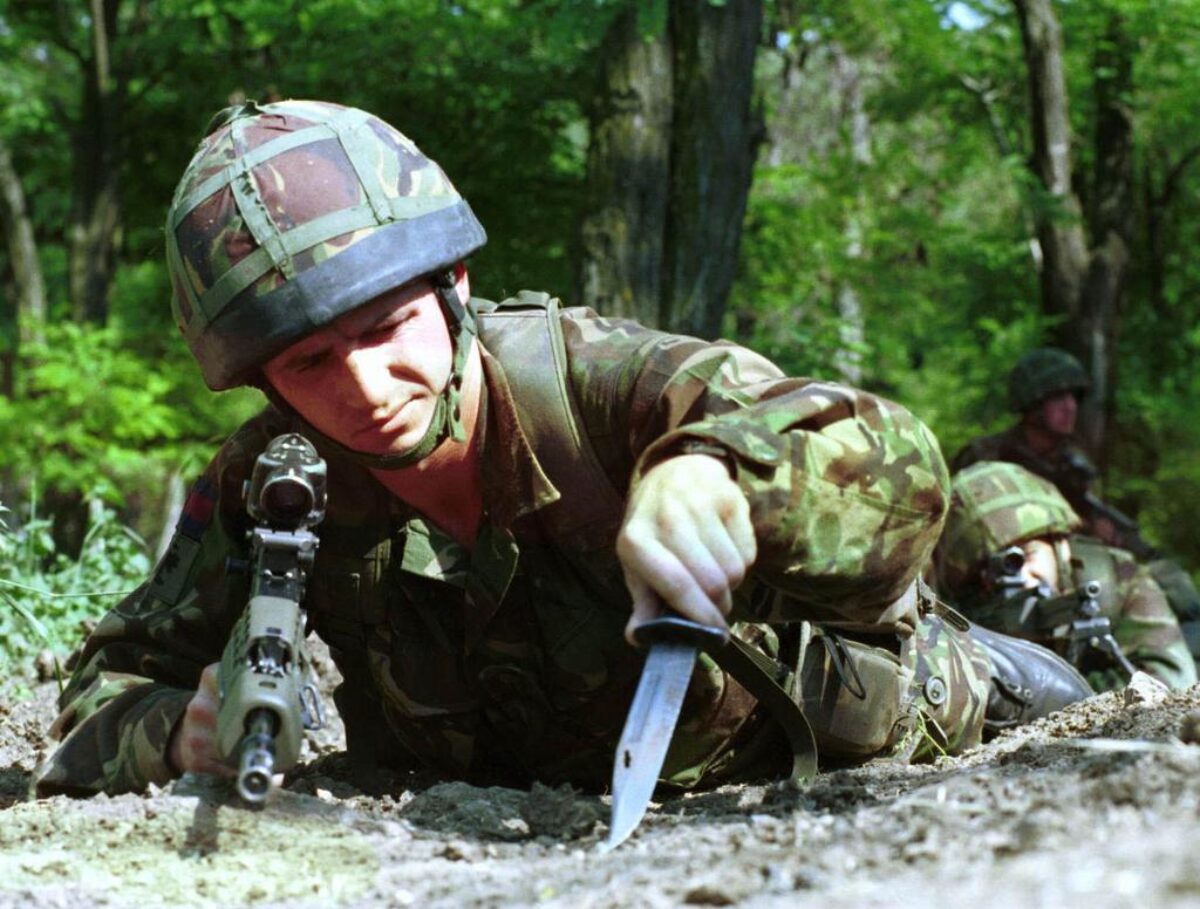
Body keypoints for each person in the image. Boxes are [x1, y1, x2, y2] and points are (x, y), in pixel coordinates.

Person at [35, 100, 1090, 798]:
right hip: (552, 803)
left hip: (835, 736)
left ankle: (999, 660)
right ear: (261, 379)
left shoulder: (601, 385)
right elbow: (102, 687)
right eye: (308, 363)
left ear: (451, 288)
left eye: (381, 329)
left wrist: (716, 474)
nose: (362, 389)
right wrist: (180, 731)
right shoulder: (277, 486)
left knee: (987, 690)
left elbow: (894, 464)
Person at [950, 348, 1200, 658]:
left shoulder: (1072, 462)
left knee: (1175, 583)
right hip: (1008, 579)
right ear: (1032, 402)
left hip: (1073, 567)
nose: (1070, 407)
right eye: (1058, 398)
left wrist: (1103, 536)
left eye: (1073, 398)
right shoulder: (987, 456)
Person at [934, 461, 1197, 693]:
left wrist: (1054, 692)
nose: (1022, 577)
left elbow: (1171, 684)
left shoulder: (1116, 578)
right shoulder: (970, 613)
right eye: (989, 572)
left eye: (1024, 556)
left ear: (1059, 542)